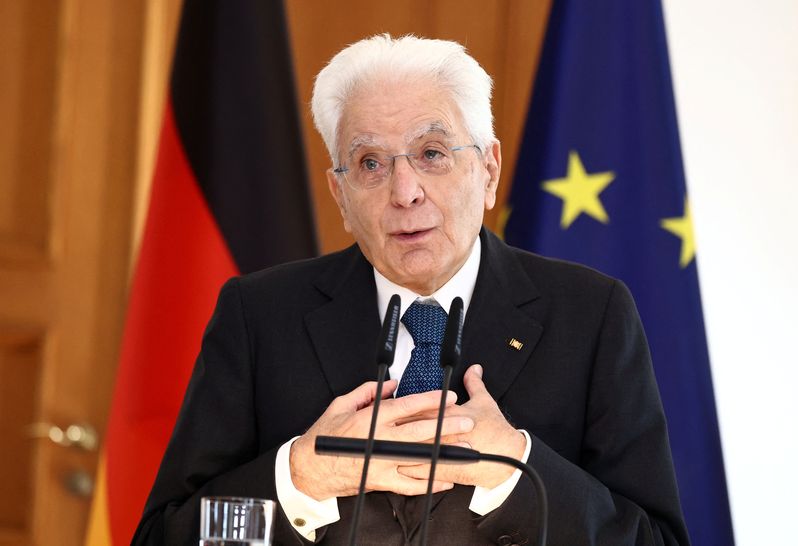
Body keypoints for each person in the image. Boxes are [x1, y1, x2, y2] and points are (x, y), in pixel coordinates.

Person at [132, 35, 689, 545]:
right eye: (370, 163)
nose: (405, 192)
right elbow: (168, 535)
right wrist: (299, 479)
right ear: (340, 194)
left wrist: (513, 470)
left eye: (432, 153)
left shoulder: (590, 316)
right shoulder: (259, 316)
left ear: (488, 171)